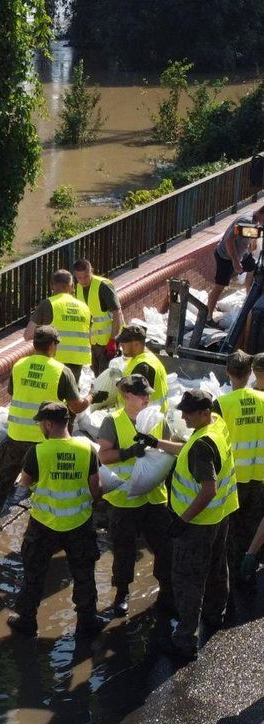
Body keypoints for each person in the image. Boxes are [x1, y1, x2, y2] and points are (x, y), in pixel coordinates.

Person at [0, 325, 91, 537]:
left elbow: (14, 392)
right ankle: (45, 536)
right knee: (49, 492)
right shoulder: (61, 371)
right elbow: (75, 407)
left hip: (15, 439)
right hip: (44, 445)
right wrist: (92, 397)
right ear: (52, 345)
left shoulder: (19, 365)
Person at [7, 402, 106, 638]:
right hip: (78, 524)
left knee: (34, 573)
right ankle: (87, 621)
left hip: (44, 524)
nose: (40, 426)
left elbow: (25, 483)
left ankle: (27, 620)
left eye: (41, 423)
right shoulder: (87, 450)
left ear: (49, 424)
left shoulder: (38, 452)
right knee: (83, 573)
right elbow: (96, 489)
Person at [163, 389, 239, 661]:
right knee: (218, 567)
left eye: (188, 412)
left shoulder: (202, 448)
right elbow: (189, 448)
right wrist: (157, 443)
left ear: (204, 412)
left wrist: (182, 521)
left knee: (188, 579)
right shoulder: (215, 425)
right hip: (221, 516)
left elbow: (208, 489)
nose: (182, 416)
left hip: (198, 524)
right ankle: (215, 615)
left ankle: (184, 641)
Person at [96, 375, 173, 616]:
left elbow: (170, 449)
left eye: (148, 394)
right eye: (142, 395)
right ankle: (122, 593)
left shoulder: (158, 420)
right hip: (125, 500)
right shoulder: (113, 421)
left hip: (155, 497)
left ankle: (166, 591)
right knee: (123, 549)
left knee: (164, 546)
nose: (147, 398)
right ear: (126, 396)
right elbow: (103, 456)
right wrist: (129, 452)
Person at [212, 351, 264, 604]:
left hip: (232, 480)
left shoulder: (222, 404)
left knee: (230, 534)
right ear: (250, 372)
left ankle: (230, 587)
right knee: (254, 528)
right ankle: (250, 574)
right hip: (260, 477)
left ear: (228, 372)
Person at [24, 269, 92, 381]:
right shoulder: (84, 307)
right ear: (72, 286)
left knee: (53, 396)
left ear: (52, 285)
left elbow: (28, 335)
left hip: (54, 361)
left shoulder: (48, 304)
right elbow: (90, 336)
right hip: (79, 362)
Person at [206, 206, 264, 321]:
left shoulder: (253, 218)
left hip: (241, 253)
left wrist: (251, 242)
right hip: (226, 257)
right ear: (262, 214)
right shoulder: (245, 221)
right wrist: (235, 261)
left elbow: (250, 231)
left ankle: (249, 297)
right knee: (220, 286)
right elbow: (229, 240)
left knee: (253, 269)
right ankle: (208, 316)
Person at [73, 258, 123, 375]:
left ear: (91, 271)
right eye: (79, 278)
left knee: (107, 377)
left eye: (86, 276)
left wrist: (113, 339)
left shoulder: (103, 286)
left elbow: (117, 313)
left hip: (107, 342)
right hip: (92, 342)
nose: (83, 280)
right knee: (97, 376)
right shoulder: (78, 288)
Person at [119, 324, 170, 413]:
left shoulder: (142, 366)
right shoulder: (145, 358)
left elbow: (136, 401)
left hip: (143, 420)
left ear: (136, 344)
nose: (121, 345)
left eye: (124, 342)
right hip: (150, 418)